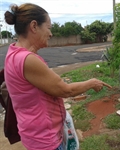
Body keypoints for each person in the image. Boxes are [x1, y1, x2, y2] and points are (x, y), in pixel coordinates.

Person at [4, 3, 112, 150]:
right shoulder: (27, 59)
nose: (51, 34)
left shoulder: (13, 53)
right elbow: (65, 90)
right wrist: (92, 82)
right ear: (34, 26)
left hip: (35, 134)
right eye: (48, 28)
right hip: (45, 140)